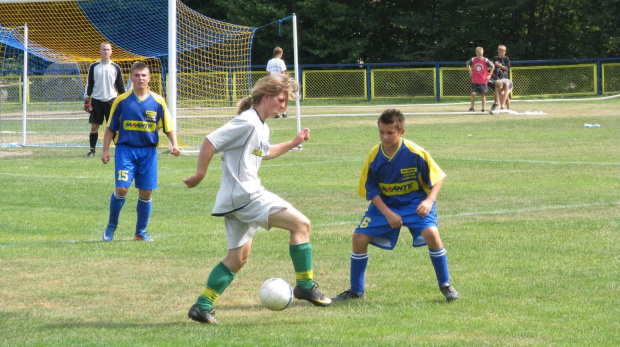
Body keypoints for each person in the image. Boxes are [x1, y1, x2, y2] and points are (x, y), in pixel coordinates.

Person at [183, 74, 331, 324]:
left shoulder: (260, 124)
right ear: (266, 97)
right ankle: (305, 286)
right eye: (281, 100)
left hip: (236, 199)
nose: (284, 106)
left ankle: (202, 306)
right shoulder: (248, 122)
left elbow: (265, 152)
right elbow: (210, 141)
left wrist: (294, 142)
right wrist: (200, 173)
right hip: (246, 195)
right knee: (301, 225)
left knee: (237, 258)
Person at [332, 109, 458, 303]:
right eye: (381, 132)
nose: (385, 137)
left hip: (415, 204)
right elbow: (370, 190)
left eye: (390, 132)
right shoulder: (375, 155)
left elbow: (438, 177)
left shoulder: (416, 152)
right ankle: (356, 291)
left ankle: (445, 284)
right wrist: (388, 213)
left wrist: (429, 201)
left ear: (402, 132)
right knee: (359, 238)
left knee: (432, 234)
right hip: (386, 205)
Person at [101, 61, 180, 242]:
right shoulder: (121, 101)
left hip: (148, 153)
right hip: (125, 150)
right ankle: (112, 225)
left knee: (146, 193)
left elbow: (168, 126)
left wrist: (174, 144)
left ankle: (140, 232)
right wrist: (105, 150)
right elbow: (110, 127)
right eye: (137, 75)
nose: (140, 79)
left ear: (149, 78)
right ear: (131, 78)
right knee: (122, 188)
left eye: (144, 75)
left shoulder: (158, 101)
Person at [83, 42, 126, 158]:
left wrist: (126, 100)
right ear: (100, 51)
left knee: (114, 127)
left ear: (111, 52)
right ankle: (92, 150)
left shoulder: (115, 67)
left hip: (112, 101)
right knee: (94, 127)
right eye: (104, 49)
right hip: (96, 100)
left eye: (108, 50)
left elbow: (120, 86)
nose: (106, 52)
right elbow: (90, 84)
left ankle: (120, 150)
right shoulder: (94, 66)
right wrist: (86, 99)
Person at [466, 47, 493, 113]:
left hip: (483, 80)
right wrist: (470, 71)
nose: (479, 56)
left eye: (481, 54)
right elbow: (467, 63)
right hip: (475, 80)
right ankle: (472, 108)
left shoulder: (485, 60)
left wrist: (489, 75)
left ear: (483, 53)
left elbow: (493, 66)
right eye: (478, 54)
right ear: (476, 53)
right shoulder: (473, 59)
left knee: (482, 94)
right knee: (473, 93)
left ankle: (483, 108)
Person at [265, 46, 288, 118]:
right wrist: (285, 81)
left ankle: (276, 113)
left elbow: (268, 73)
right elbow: (282, 72)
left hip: (272, 82)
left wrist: (268, 81)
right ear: (280, 53)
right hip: (280, 81)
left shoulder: (270, 61)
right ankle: (283, 112)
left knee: (274, 97)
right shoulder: (281, 61)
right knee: (282, 97)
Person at [489, 45, 511, 112]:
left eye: (502, 52)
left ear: (505, 52)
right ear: (498, 52)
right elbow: (493, 66)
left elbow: (506, 68)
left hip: (504, 78)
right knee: (496, 92)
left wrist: (498, 65)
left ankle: (508, 107)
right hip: (497, 78)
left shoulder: (506, 59)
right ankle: (496, 104)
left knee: (504, 93)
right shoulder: (495, 58)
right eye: (500, 52)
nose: (501, 53)